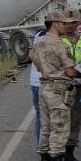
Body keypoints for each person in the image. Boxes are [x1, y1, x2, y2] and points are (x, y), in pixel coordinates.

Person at [31, 10, 81, 161]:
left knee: (46, 126)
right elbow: (69, 71)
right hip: (59, 88)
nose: (66, 26)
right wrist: (80, 71)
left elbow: (36, 63)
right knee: (59, 126)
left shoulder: (39, 42)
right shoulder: (60, 44)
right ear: (55, 24)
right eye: (63, 23)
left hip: (44, 85)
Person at [62, 18, 81, 161]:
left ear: (77, 24)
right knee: (61, 120)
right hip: (63, 85)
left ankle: (69, 153)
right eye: (66, 23)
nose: (69, 26)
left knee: (75, 120)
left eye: (73, 23)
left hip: (78, 85)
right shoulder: (58, 41)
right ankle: (57, 153)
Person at [28, 20, 51, 149]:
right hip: (47, 82)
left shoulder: (38, 36)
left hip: (35, 82)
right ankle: (50, 147)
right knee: (53, 116)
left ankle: (40, 146)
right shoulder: (51, 40)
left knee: (39, 115)